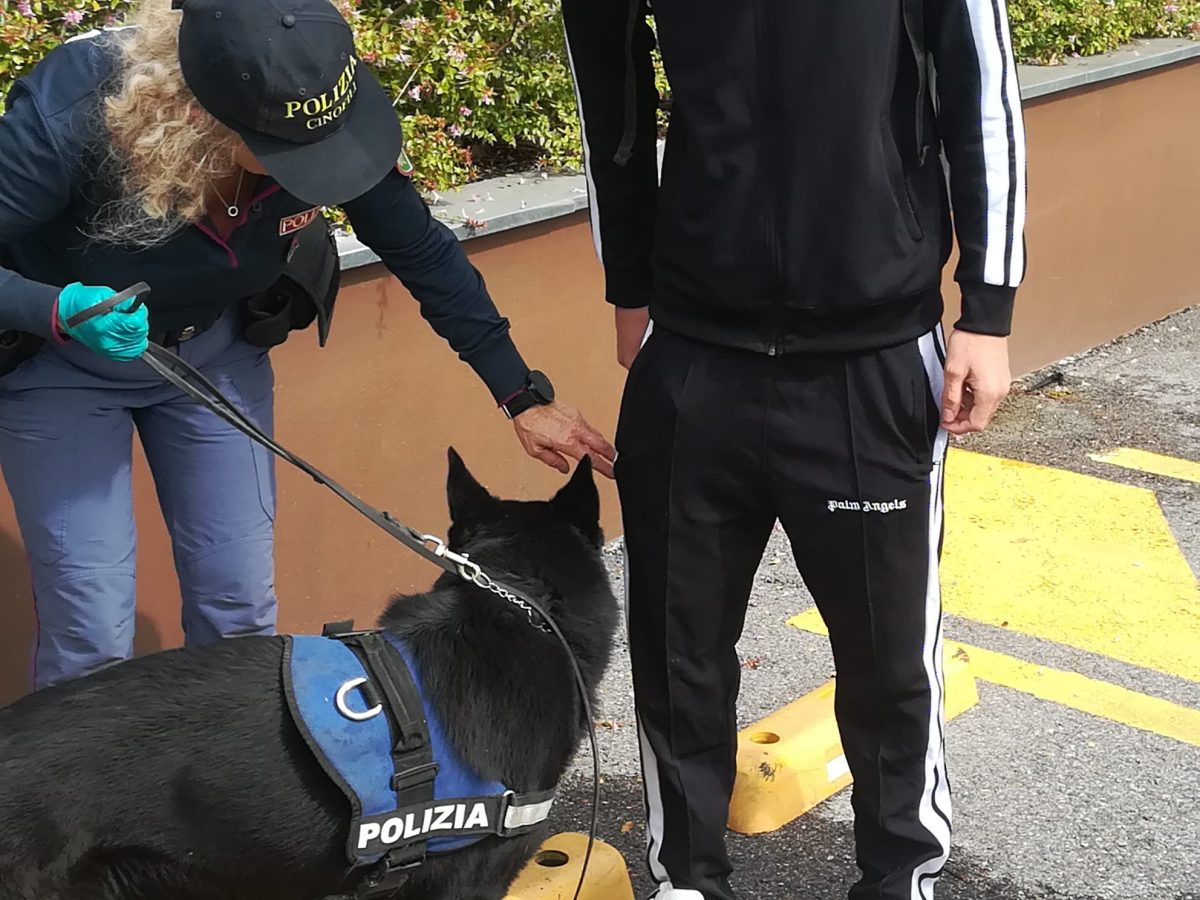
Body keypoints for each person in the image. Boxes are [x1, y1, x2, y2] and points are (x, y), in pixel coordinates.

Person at [0, 0, 615, 691]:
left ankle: (222, 760)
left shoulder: (315, 95)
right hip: (65, 367)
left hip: (214, 355)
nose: (319, 173)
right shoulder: (70, 115)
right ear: (203, 117)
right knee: (90, 631)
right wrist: (52, 309)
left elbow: (420, 250)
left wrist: (522, 395)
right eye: (293, 160)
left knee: (238, 605)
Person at [562, 0, 1026, 898]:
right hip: (695, 346)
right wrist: (630, 281)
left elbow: (982, 86)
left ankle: (900, 876)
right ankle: (687, 876)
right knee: (678, 650)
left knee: (889, 658)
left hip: (871, 349)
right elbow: (606, 83)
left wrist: (989, 306)